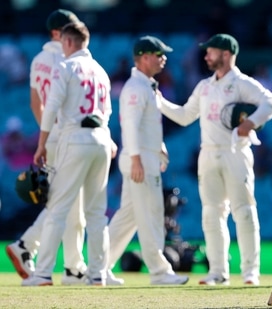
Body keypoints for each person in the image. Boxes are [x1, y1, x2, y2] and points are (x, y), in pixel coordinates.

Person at [158, 33, 272, 285]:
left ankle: (250, 273)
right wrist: (159, 101)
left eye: (211, 51)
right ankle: (218, 272)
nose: (206, 55)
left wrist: (250, 122)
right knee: (211, 214)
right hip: (208, 152)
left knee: (244, 212)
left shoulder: (241, 83)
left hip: (235, 151)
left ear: (226, 54)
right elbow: (184, 116)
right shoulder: (205, 86)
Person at [5, 9, 92, 286]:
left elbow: (36, 103)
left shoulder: (39, 59)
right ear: (58, 33)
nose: (72, 35)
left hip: (53, 134)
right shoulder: (65, 58)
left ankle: (73, 267)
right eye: (68, 29)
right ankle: (28, 245)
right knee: (66, 200)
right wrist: (57, 132)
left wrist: (47, 133)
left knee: (70, 202)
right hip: (67, 135)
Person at [22, 21, 113, 286]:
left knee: (58, 208)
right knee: (97, 213)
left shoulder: (66, 66)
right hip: (102, 139)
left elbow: (50, 108)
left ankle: (42, 273)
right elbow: (107, 112)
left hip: (75, 137)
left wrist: (42, 143)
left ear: (69, 42)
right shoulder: (100, 71)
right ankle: (97, 274)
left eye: (63, 42)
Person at [106, 35, 189, 285]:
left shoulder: (148, 86)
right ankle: (160, 272)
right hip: (139, 158)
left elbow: (147, 125)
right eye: (159, 54)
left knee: (127, 218)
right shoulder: (136, 88)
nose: (164, 59)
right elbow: (129, 126)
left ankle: (97, 268)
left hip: (142, 156)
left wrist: (159, 149)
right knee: (152, 214)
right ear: (143, 57)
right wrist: (136, 159)